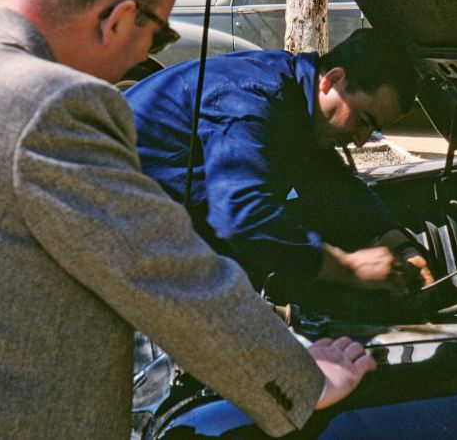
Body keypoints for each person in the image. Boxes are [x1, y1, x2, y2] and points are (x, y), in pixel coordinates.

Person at [0, 0, 374, 438]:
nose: (144, 59)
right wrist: (303, 379)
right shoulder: (51, 105)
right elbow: (165, 273)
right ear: (117, 18)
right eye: (157, 37)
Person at [124, 29, 433, 320]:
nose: (362, 140)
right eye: (364, 120)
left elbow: (330, 182)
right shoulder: (252, 100)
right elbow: (242, 215)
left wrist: (398, 242)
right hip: (118, 238)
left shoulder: (297, 97)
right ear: (333, 80)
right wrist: (346, 268)